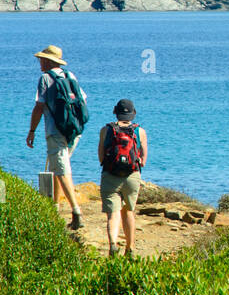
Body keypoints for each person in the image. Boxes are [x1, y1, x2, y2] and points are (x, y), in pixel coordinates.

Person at [26, 44, 87, 230]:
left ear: (47, 61)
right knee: (58, 167)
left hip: (55, 131)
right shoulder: (70, 76)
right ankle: (55, 207)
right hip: (74, 130)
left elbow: (39, 107)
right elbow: (82, 100)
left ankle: (76, 212)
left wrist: (32, 131)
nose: (39, 62)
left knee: (62, 170)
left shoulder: (45, 78)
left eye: (41, 59)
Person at [98, 99, 148, 258]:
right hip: (132, 176)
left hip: (110, 175)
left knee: (113, 214)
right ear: (133, 113)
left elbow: (101, 156)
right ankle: (130, 248)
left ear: (115, 112)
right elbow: (144, 157)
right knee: (129, 212)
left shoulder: (106, 130)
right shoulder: (139, 131)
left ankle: (113, 244)